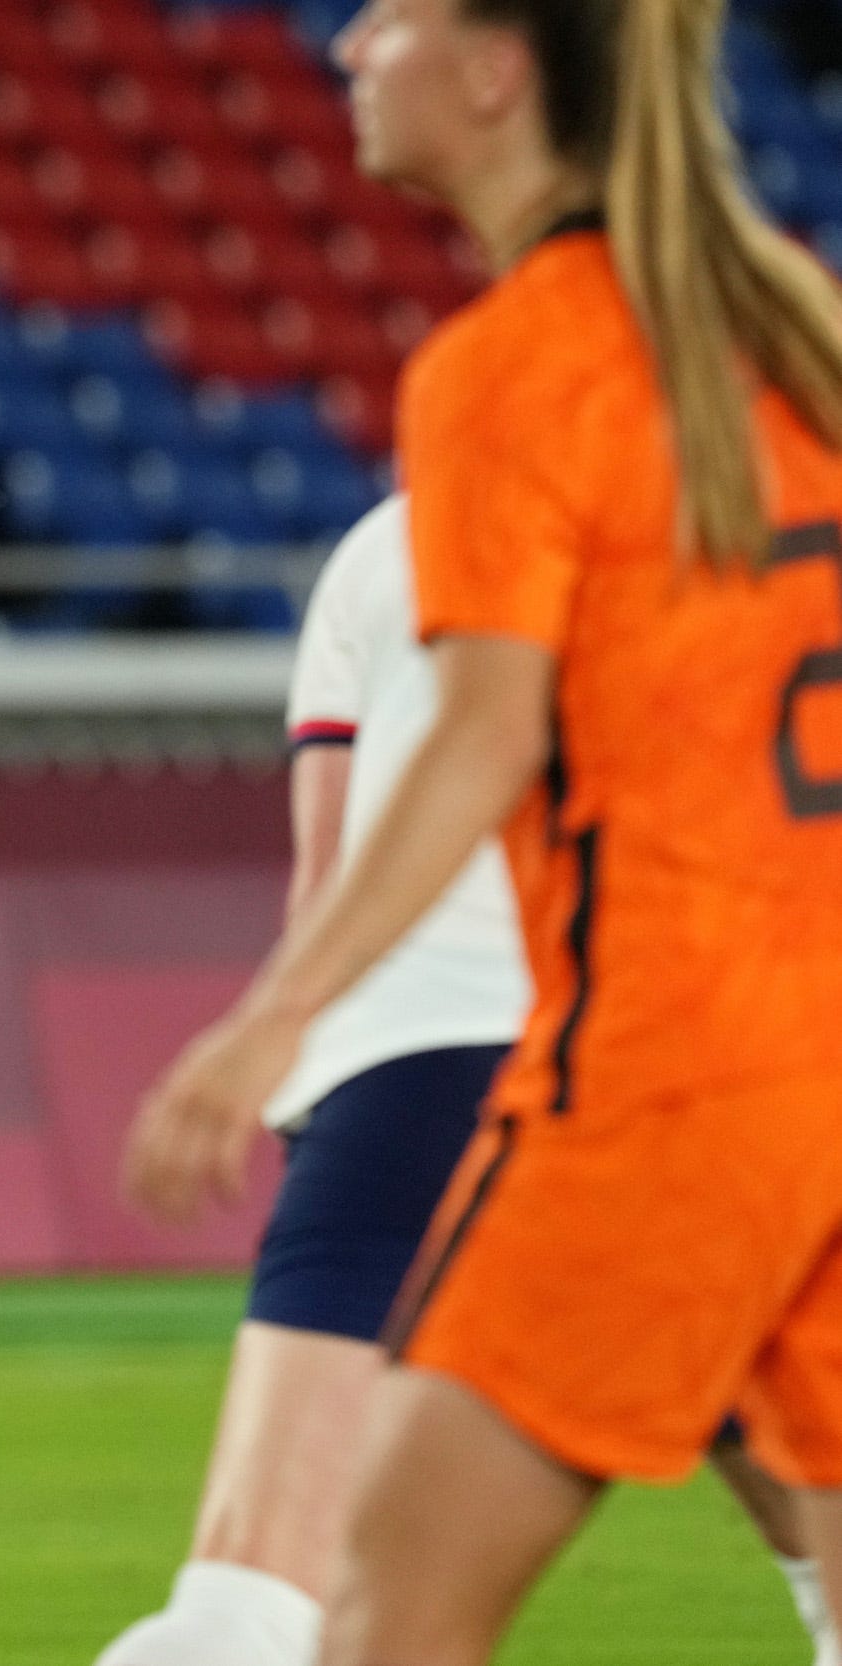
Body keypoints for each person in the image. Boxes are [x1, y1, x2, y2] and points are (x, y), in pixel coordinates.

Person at [122, 0, 842, 1659]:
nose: (355, 48)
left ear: (501, 68)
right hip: (813, 1071)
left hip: (659, 1090)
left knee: (385, 1618)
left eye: (394, 19)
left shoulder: (513, 367)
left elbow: (478, 744)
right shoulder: (784, 329)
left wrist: (271, 1021)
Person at [103, 497, 838, 1664]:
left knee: (255, 1592)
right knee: (817, 1550)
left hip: (433, 1048)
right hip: (716, 1071)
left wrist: (290, 1054)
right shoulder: (772, 505)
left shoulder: (402, 534)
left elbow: (336, 858)